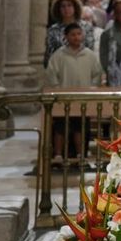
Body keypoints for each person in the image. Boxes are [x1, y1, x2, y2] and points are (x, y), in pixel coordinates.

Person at [45, 23, 104, 162]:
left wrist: (92, 87)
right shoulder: (59, 55)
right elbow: (51, 73)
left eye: (79, 34)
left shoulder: (89, 55)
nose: (76, 37)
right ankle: (58, 154)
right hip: (63, 97)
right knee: (61, 126)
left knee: (80, 126)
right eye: (73, 34)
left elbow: (97, 73)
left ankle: (80, 154)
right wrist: (57, 88)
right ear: (66, 37)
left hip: (83, 97)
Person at [44, 0, 83, 67]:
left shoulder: (85, 27)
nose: (66, 9)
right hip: (60, 68)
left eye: (69, 5)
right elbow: (49, 53)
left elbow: (89, 49)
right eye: (63, 6)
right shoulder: (53, 30)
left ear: (75, 8)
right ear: (58, 9)